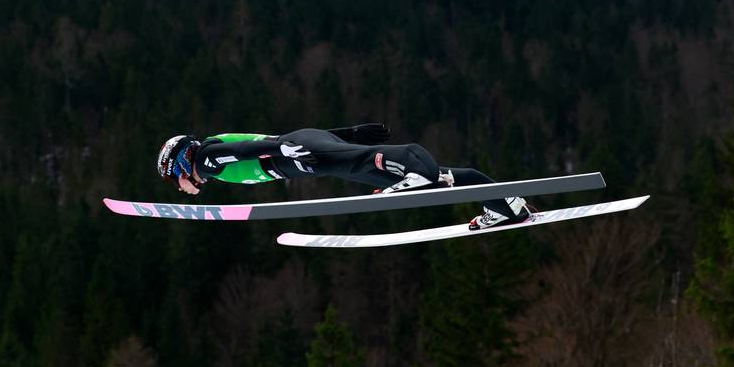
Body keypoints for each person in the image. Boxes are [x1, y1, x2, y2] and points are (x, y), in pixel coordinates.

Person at [156, 124, 530, 230]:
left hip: (297, 153)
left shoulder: (205, 158)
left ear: (179, 166)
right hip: (304, 148)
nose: (184, 188)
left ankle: (416, 170)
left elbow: (244, 152)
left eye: (176, 182)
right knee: (444, 177)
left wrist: (280, 152)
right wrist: (350, 133)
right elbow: (285, 141)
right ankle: (505, 205)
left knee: (368, 163)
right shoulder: (210, 156)